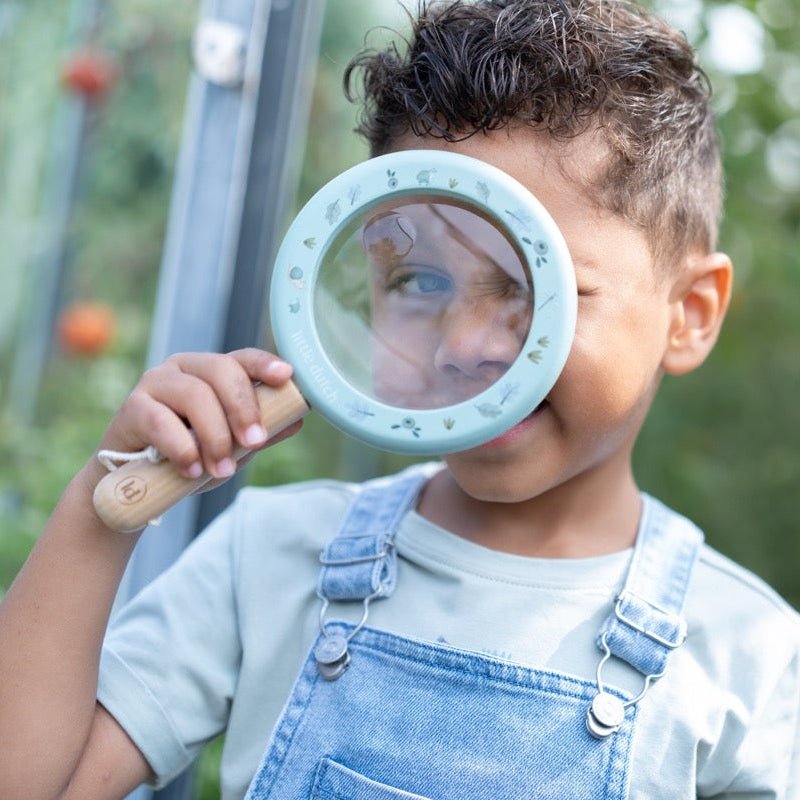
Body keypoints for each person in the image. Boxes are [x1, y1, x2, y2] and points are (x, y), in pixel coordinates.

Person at [1, 0, 798, 798]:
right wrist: (97, 512)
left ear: (688, 315)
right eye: (418, 281)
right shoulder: (273, 559)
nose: (464, 343)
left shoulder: (752, 660)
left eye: (535, 285)